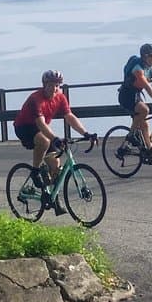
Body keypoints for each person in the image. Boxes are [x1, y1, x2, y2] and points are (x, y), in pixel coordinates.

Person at [13, 69, 94, 213]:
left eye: (58, 85)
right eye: (51, 85)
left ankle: (52, 195)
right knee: (44, 141)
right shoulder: (36, 99)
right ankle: (35, 171)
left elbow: (70, 117)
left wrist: (86, 133)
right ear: (44, 84)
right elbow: (41, 124)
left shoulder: (60, 97)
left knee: (55, 164)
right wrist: (55, 138)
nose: (54, 88)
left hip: (41, 129)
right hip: (24, 127)